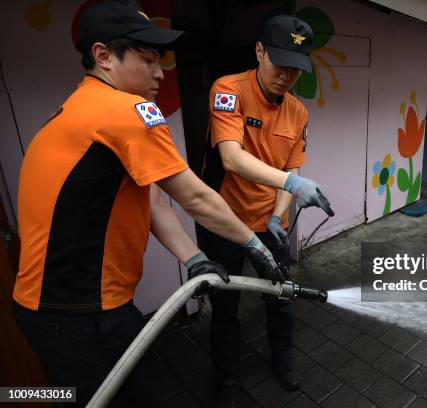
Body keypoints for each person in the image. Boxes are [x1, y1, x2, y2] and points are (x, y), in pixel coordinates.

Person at [11, 1, 280, 406]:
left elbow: (153, 201)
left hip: (49, 312)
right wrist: (254, 245)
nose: (160, 72)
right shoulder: (128, 111)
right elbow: (196, 198)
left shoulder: (75, 108)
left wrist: (194, 258)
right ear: (103, 56)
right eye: (148, 59)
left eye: (161, 60)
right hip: (80, 313)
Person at [200, 14, 334, 407]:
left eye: (297, 68)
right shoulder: (229, 90)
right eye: (280, 64)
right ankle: (225, 376)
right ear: (259, 51)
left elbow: (292, 166)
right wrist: (292, 185)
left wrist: (278, 216)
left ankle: (284, 358)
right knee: (225, 303)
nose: (287, 76)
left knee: (280, 295)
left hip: (269, 223)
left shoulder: (298, 112)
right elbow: (232, 158)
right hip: (223, 221)